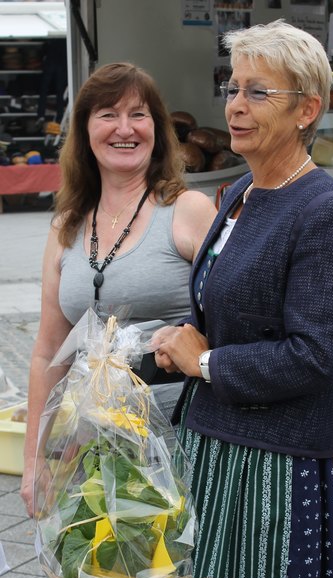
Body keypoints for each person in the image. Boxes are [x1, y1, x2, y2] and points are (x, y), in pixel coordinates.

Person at [153, 19, 333, 578]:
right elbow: (217, 313)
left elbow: (315, 357)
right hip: (212, 450)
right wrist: (169, 348)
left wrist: (208, 363)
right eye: (233, 87)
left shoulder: (325, 212)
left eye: (257, 92)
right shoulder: (240, 193)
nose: (236, 106)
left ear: (307, 110)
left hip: (272, 470)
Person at [21, 62, 216, 517]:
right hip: (94, 445)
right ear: (85, 131)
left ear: (158, 129)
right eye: (108, 114)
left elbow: (232, 324)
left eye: (139, 114)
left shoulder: (187, 211)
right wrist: (34, 459)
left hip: (181, 441)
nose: (124, 129)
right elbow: (49, 350)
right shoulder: (66, 227)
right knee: (99, 577)